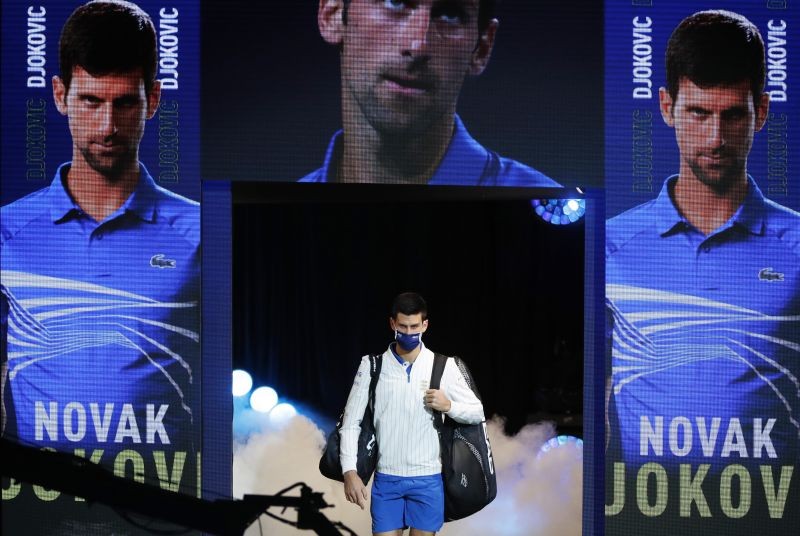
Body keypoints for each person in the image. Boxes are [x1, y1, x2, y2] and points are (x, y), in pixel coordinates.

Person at [1, 1, 199, 533]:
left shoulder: (202, 236)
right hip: (36, 516)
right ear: (61, 96)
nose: (108, 125)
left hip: (160, 516)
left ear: (153, 100)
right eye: (90, 101)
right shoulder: (5, 233)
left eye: (125, 104)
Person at [606, 10, 799, 531]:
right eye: (698, 113)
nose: (715, 136)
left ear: (761, 112)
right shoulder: (610, 245)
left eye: (734, 115)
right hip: (643, 518)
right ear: (667, 107)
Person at [300, 0, 559, 186]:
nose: (418, 44)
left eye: (450, 15)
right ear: (331, 14)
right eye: (395, 2)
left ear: (482, 47)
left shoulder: (557, 220)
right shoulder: (274, 220)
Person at [340, 292, 484, 535]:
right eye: (403, 326)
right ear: (392, 324)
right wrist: (349, 472)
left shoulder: (444, 366)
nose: (408, 333)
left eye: (414, 326)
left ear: (425, 325)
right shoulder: (371, 365)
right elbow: (350, 423)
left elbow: (477, 412)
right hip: (387, 480)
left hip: (428, 480)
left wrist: (449, 406)